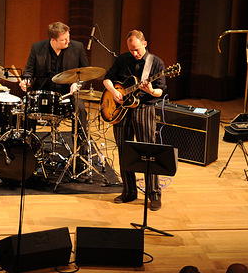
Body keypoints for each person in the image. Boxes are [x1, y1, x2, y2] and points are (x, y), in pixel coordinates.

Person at [103, 30, 166, 210]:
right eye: (131, 50)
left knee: (148, 151)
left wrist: (151, 91)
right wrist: (115, 92)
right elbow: (107, 79)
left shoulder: (156, 63)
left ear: (144, 44)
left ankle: (154, 193)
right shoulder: (123, 59)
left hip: (144, 109)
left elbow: (160, 91)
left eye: (137, 50)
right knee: (124, 150)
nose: (134, 53)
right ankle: (129, 191)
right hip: (123, 111)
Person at [19, 21, 90, 152]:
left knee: (80, 109)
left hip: (68, 92)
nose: (68, 41)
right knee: (26, 108)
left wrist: (77, 83)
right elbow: (29, 71)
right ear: (53, 40)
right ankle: (29, 147)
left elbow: (86, 72)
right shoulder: (37, 48)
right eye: (63, 40)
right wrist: (26, 81)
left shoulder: (77, 47)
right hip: (44, 90)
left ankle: (80, 150)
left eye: (69, 37)